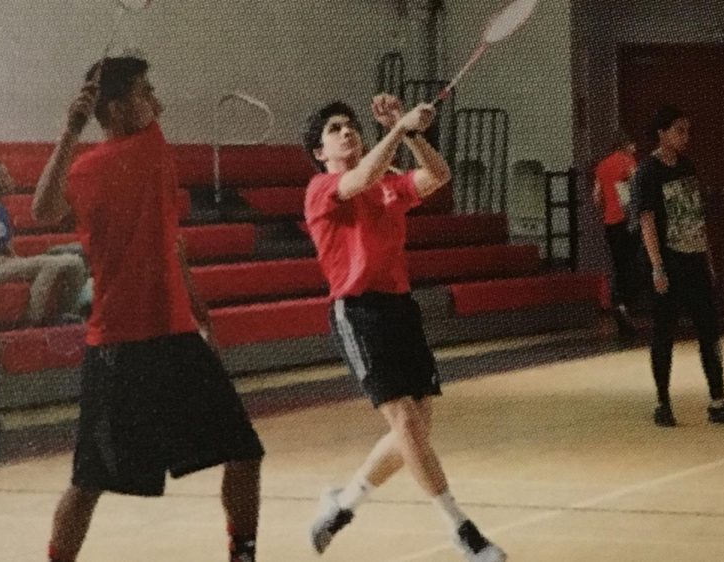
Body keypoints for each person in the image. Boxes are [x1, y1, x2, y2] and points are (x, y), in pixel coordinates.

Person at [32, 56, 264, 562]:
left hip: (176, 338)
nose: (155, 99)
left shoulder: (153, 147)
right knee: (88, 480)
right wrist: (70, 130)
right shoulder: (89, 168)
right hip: (117, 345)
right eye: (143, 90)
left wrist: (197, 305)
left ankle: (242, 555)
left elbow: (172, 242)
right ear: (115, 108)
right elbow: (42, 209)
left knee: (245, 452)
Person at [302, 95, 506, 562]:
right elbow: (360, 179)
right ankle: (463, 531)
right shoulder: (321, 188)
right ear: (320, 151)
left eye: (351, 125)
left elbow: (439, 176)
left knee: (415, 433)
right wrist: (396, 131)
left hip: (400, 309)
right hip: (359, 313)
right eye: (334, 129)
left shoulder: (389, 183)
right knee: (407, 425)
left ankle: (342, 506)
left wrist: (411, 134)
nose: (347, 132)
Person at [635, 105, 724, 428]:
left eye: (687, 131)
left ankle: (718, 402)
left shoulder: (687, 166)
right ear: (662, 133)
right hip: (669, 263)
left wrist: (708, 260)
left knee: (709, 333)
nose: (685, 137)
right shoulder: (648, 172)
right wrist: (657, 267)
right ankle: (663, 403)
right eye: (679, 131)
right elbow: (647, 221)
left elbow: (696, 218)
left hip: (695, 260)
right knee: (664, 335)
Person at [0, 161, 87, 325]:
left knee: (76, 262)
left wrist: (17, 260)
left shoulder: (0, 209)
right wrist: (11, 261)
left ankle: (66, 312)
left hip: (6, 264)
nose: (9, 179)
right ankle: (33, 320)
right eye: (4, 175)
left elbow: (8, 247)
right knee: (51, 264)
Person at [593, 132, 640, 339]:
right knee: (633, 265)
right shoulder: (627, 160)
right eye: (633, 144)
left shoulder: (602, 166)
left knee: (618, 264)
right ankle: (624, 304)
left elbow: (596, 197)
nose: (635, 148)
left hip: (610, 222)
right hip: (627, 220)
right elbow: (638, 185)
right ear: (625, 145)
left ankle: (618, 303)